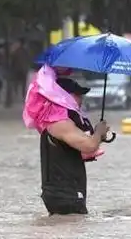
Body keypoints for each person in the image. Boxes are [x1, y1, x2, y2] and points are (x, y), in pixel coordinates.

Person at [40, 78, 110, 216]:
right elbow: (89, 146)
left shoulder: (58, 121)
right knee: (74, 231)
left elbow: (83, 147)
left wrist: (98, 136)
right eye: (77, 95)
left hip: (62, 193)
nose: (81, 99)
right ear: (64, 96)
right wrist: (98, 133)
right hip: (65, 194)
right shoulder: (60, 123)